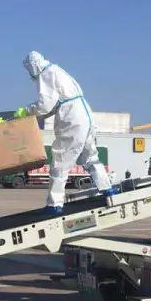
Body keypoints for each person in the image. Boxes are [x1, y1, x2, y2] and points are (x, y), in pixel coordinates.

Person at [18, 51, 115, 214]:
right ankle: (107, 188)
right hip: (85, 115)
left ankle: (54, 204)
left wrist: (26, 111)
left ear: (33, 66)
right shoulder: (57, 70)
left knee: (60, 162)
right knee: (90, 156)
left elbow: (45, 104)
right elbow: (55, 104)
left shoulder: (46, 73)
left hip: (72, 118)